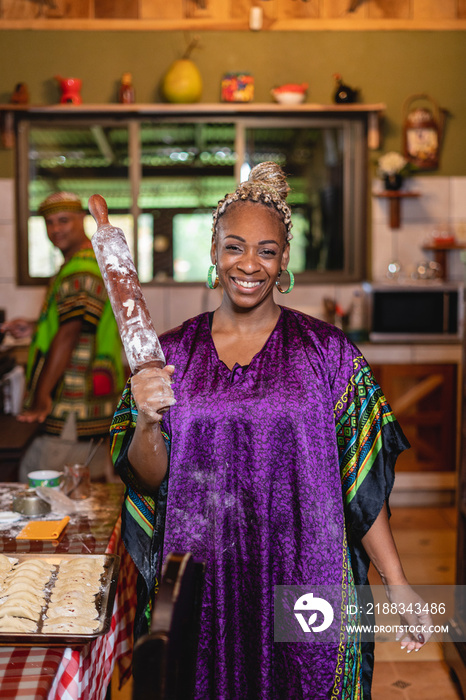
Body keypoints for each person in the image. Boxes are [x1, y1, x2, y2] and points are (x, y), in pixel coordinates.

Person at [111, 163, 432, 699]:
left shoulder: (328, 354)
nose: (249, 264)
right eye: (235, 246)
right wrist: (147, 420)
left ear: (284, 260)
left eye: (266, 249)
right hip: (204, 583)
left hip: (306, 574)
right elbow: (147, 480)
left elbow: (362, 485)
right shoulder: (168, 358)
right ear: (214, 254)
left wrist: (397, 582)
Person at [2, 192, 124, 481]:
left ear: (82, 218)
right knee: (86, 489)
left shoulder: (79, 270)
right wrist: (36, 326)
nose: (56, 229)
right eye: (50, 222)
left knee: (41, 482)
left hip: (72, 405)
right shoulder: (87, 261)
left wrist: (42, 397)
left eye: (64, 220)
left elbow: (69, 335)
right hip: (91, 403)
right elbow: (80, 323)